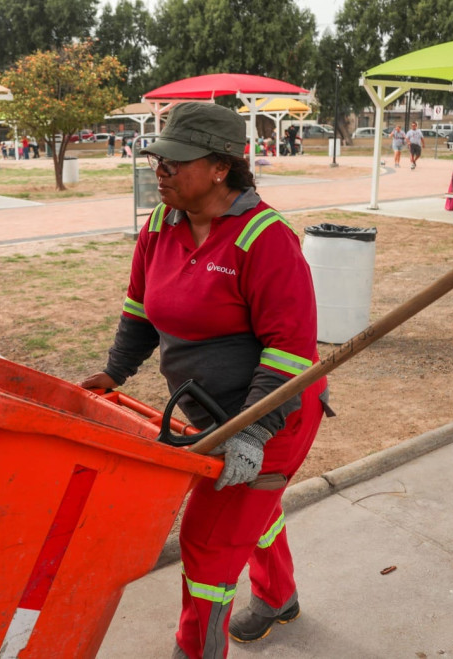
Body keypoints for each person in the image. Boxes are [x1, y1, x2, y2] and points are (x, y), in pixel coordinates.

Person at [79, 102, 329, 659]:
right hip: (208, 414)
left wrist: (253, 432)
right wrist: (115, 372)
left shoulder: (265, 239)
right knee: (250, 511)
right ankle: (278, 598)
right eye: (157, 160)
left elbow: (291, 352)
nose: (159, 171)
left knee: (208, 541)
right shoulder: (160, 225)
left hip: (274, 416)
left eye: (174, 162)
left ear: (220, 167)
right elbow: (139, 312)